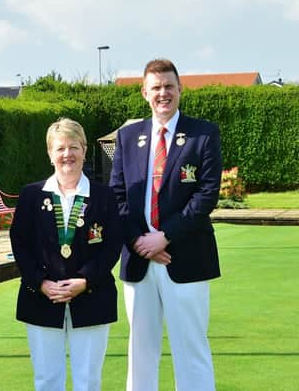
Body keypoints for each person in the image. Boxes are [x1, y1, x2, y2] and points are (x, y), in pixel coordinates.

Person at [109, 59, 222, 391]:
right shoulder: (128, 136)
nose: (163, 93)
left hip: (185, 256)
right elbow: (119, 195)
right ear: (145, 92)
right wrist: (141, 242)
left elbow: (206, 194)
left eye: (169, 86)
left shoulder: (204, 134)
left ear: (180, 90)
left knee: (191, 350)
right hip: (139, 257)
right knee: (140, 352)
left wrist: (165, 237)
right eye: (156, 87)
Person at [10, 118, 123, 391]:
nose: (67, 154)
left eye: (74, 147)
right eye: (60, 148)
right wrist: (41, 282)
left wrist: (85, 281)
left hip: (92, 297)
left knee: (88, 381)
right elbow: (20, 244)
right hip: (41, 298)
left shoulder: (104, 196)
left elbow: (112, 245)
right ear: (50, 154)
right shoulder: (31, 195)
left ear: (84, 150)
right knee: (47, 380)